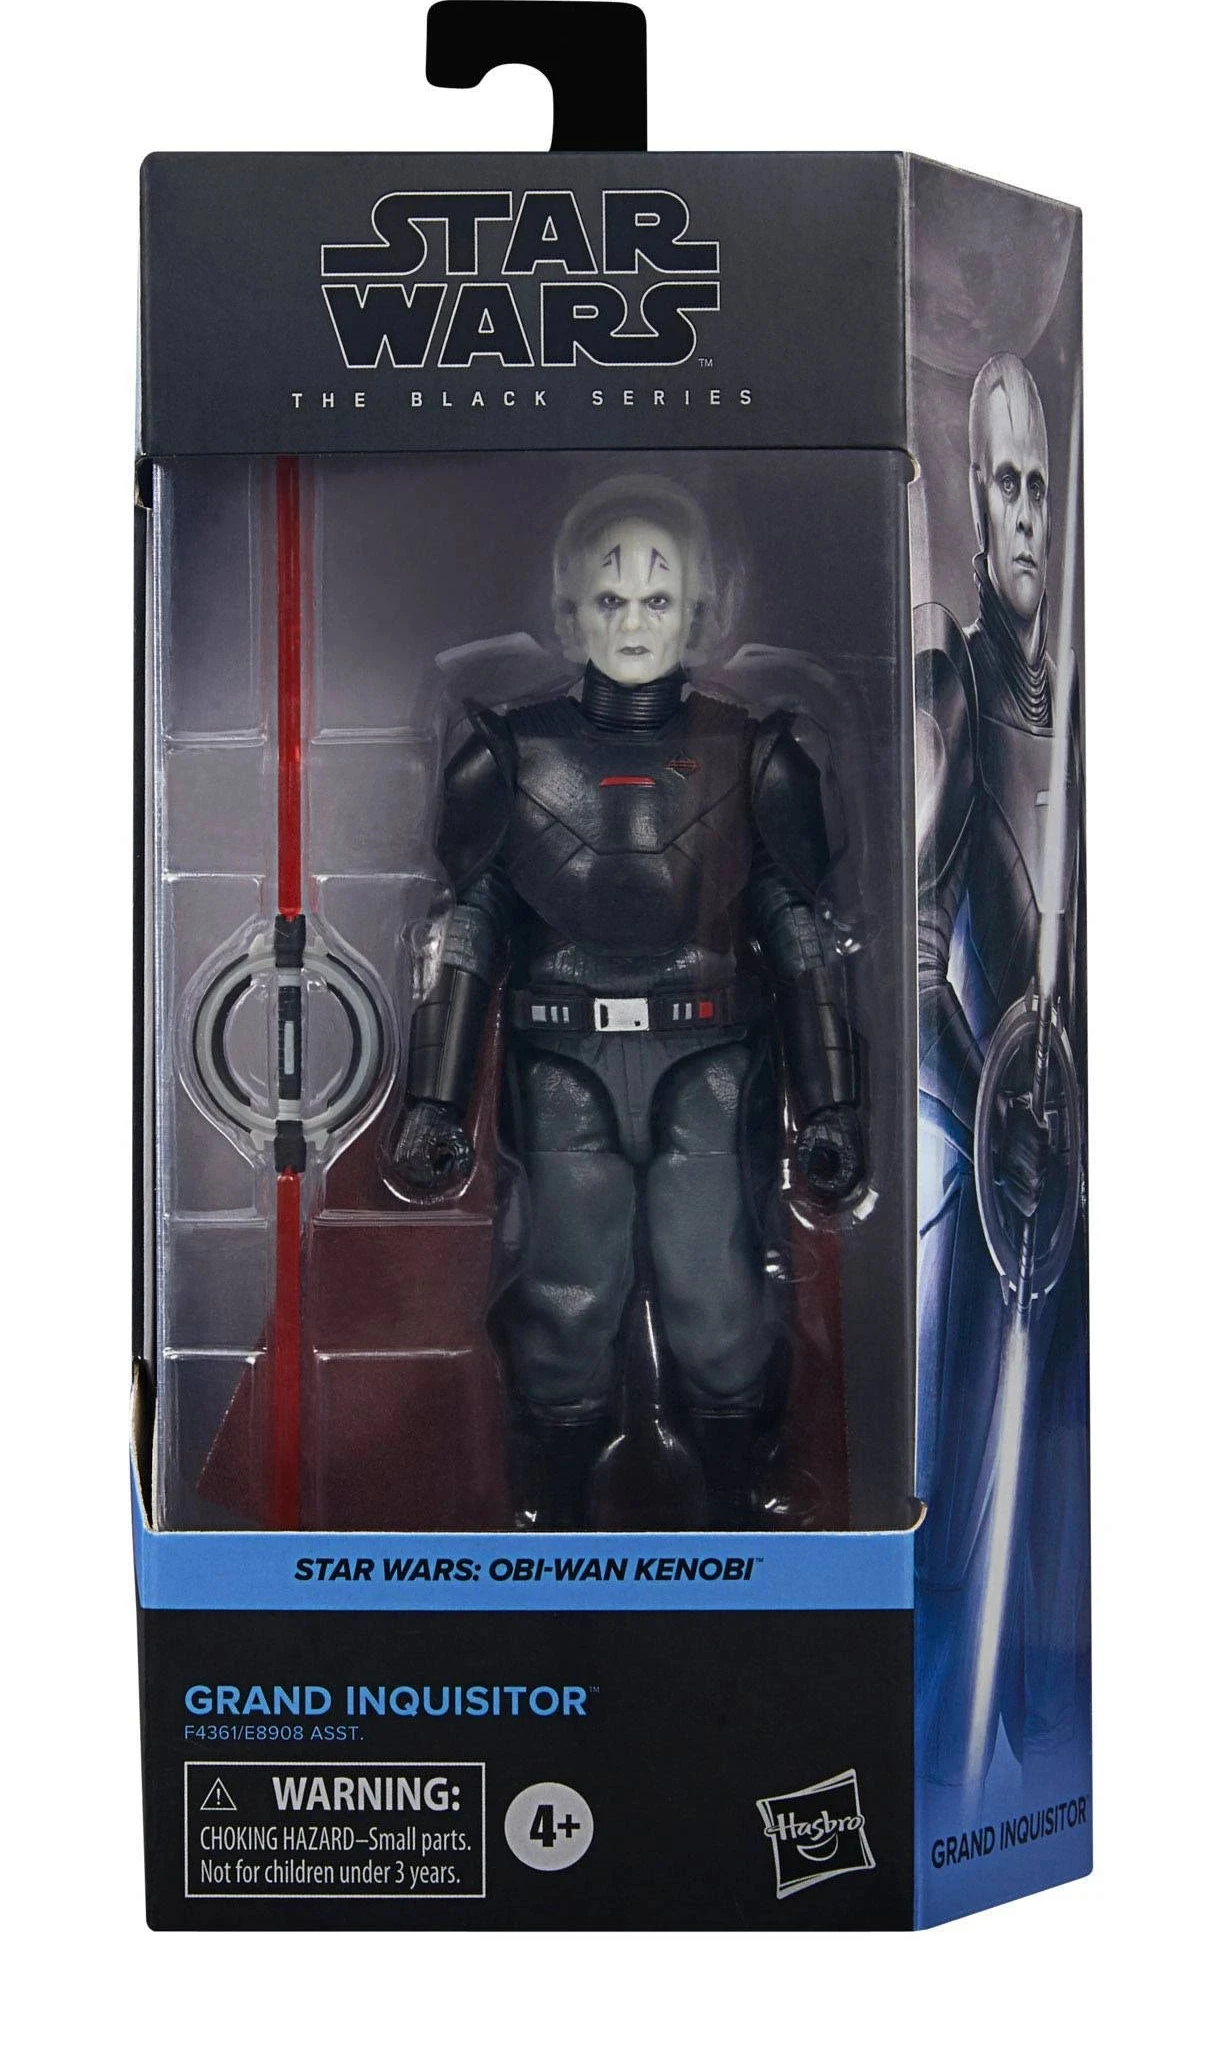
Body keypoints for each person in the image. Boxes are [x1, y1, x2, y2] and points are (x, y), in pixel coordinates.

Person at [392, 474, 865, 1528]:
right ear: (571, 614)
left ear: (697, 610)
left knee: (717, 1300)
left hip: (711, 1060)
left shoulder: (753, 754)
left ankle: (739, 1517)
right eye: (610, 599)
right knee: (565, 1300)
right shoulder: (509, 755)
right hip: (562, 1064)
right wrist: (433, 1101)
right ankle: (556, 1526)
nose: (634, 620)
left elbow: (798, 933)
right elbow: (467, 930)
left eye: (657, 598)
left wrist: (831, 1103)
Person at [914, 355, 1087, 1784]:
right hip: (986, 1180)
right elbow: (913, 960)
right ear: (972, 503)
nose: (1025, 514)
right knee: (964, 1506)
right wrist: (994, 1113)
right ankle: (936, 1773)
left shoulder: (1082, 711)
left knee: (1063, 1520)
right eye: (1005, 487)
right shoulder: (953, 689)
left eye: (1039, 487)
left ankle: (1044, 1758)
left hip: (1075, 1173)